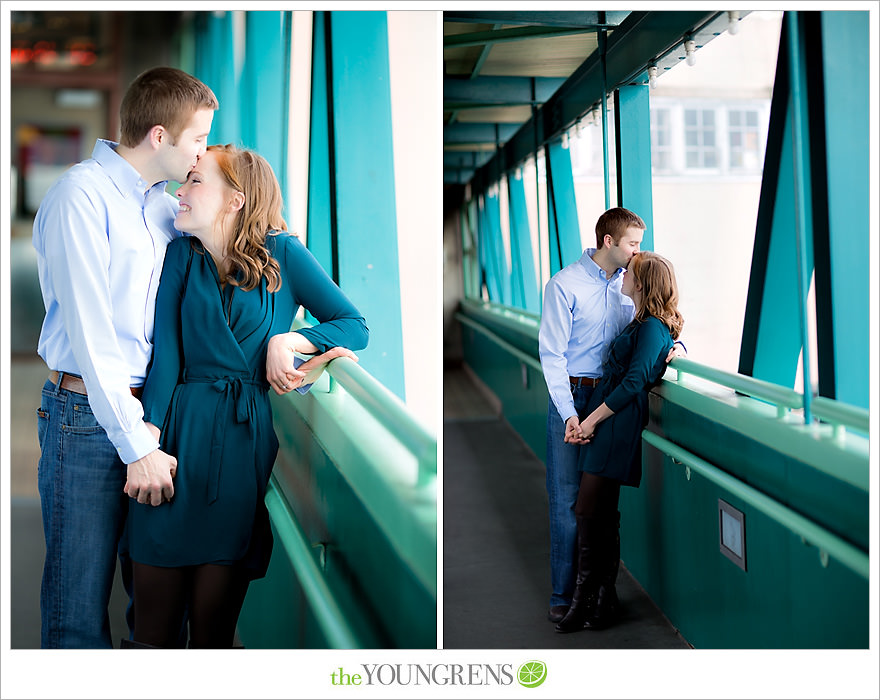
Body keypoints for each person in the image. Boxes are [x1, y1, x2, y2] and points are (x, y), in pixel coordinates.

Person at [122, 144, 369, 648]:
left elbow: (355, 325)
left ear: (235, 200)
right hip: (175, 437)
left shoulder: (285, 254)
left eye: (194, 182)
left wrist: (292, 340)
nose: (180, 192)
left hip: (240, 443)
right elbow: (166, 356)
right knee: (152, 627)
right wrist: (145, 443)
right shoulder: (180, 255)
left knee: (213, 630)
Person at [33, 66, 218, 648]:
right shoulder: (80, 195)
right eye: (198, 139)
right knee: (77, 608)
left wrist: (293, 344)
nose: (202, 153)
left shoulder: (169, 210)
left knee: (160, 609)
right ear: (160, 136)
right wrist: (136, 445)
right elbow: (92, 334)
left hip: (157, 417)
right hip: (84, 419)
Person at [537, 208, 685, 624]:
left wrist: (678, 350)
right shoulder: (563, 285)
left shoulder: (632, 285)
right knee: (567, 501)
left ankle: (600, 598)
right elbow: (551, 354)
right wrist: (569, 414)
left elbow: (655, 329)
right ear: (609, 241)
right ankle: (564, 596)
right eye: (633, 243)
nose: (638, 251)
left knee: (598, 507)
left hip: (610, 405)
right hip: (572, 396)